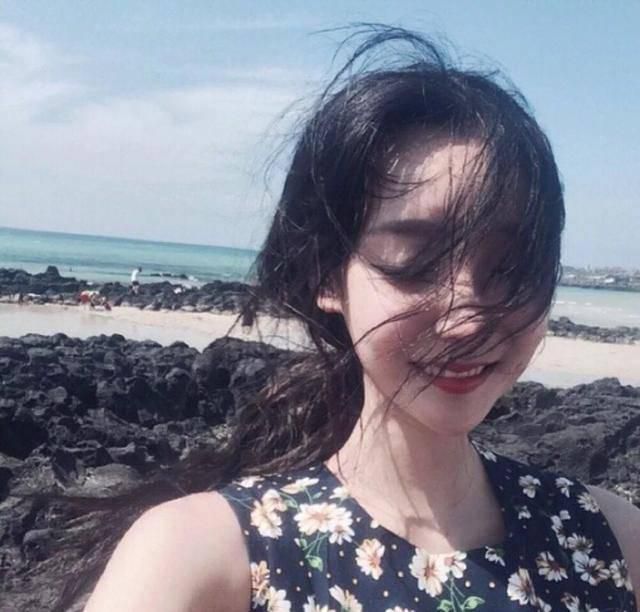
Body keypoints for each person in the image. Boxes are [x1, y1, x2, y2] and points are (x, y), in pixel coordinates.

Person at [78, 26, 639, 611]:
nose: (466, 319)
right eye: (415, 262)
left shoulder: (609, 542)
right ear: (326, 272)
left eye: (512, 266)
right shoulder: (199, 555)